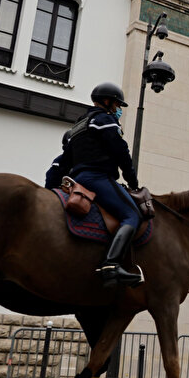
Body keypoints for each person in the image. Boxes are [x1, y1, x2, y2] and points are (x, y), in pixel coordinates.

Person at [49, 81, 145, 287]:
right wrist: (133, 181)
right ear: (108, 101)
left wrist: (52, 189)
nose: (118, 110)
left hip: (78, 180)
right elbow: (121, 153)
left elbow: (63, 162)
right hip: (97, 178)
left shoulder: (78, 126)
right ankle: (111, 265)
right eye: (117, 105)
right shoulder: (105, 120)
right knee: (132, 215)